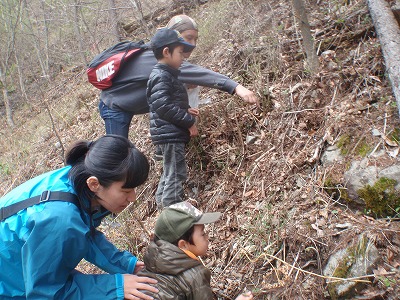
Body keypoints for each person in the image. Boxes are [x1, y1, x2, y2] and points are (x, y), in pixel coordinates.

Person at [0, 135, 159, 299]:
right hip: (7, 278)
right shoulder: (59, 219)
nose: (133, 198)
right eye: (126, 191)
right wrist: (115, 286)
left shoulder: (81, 180)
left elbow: (84, 233)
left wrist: (126, 265)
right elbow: (46, 292)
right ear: (94, 184)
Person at [98, 14, 258, 139]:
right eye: (188, 38)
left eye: (196, 39)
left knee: (188, 84)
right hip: (115, 105)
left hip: (133, 102)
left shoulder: (167, 57)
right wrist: (237, 87)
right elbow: (199, 73)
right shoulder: (157, 56)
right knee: (117, 153)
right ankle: (84, 165)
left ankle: (169, 142)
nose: (194, 44)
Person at [138, 201, 253, 300]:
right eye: (203, 234)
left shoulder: (148, 267)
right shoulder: (194, 276)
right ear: (183, 245)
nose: (208, 237)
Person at [146, 27, 199, 209]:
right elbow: (163, 106)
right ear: (166, 52)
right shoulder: (162, 76)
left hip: (167, 133)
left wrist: (186, 109)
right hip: (170, 134)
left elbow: (167, 103)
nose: (183, 56)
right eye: (180, 52)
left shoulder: (165, 75)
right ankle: (172, 209)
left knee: (169, 172)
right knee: (177, 173)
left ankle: (163, 205)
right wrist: (188, 120)